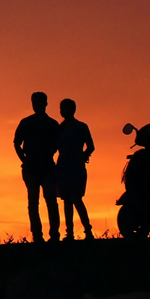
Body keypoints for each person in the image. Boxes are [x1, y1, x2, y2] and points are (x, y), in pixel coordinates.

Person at [14, 92, 61, 242]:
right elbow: (16, 143)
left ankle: (54, 235)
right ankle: (37, 236)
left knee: (50, 200)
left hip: (47, 166)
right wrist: (24, 159)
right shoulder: (26, 122)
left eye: (39, 102)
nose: (37, 105)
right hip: (31, 168)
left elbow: (59, 144)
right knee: (33, 202)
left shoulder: (52, 124)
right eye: (34, 102)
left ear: (46, 103)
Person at [56, 98, 95, 240]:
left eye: (65, 108)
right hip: (63, 167)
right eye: (61, 108)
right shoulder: (60, 128)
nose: (62, 111)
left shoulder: (81, 127)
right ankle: (70, 233)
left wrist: (82, 157)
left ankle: (88, 231)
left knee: (76, 199)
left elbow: (91, 146)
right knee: (67, 200)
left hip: (76, 167)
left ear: (73, 109)